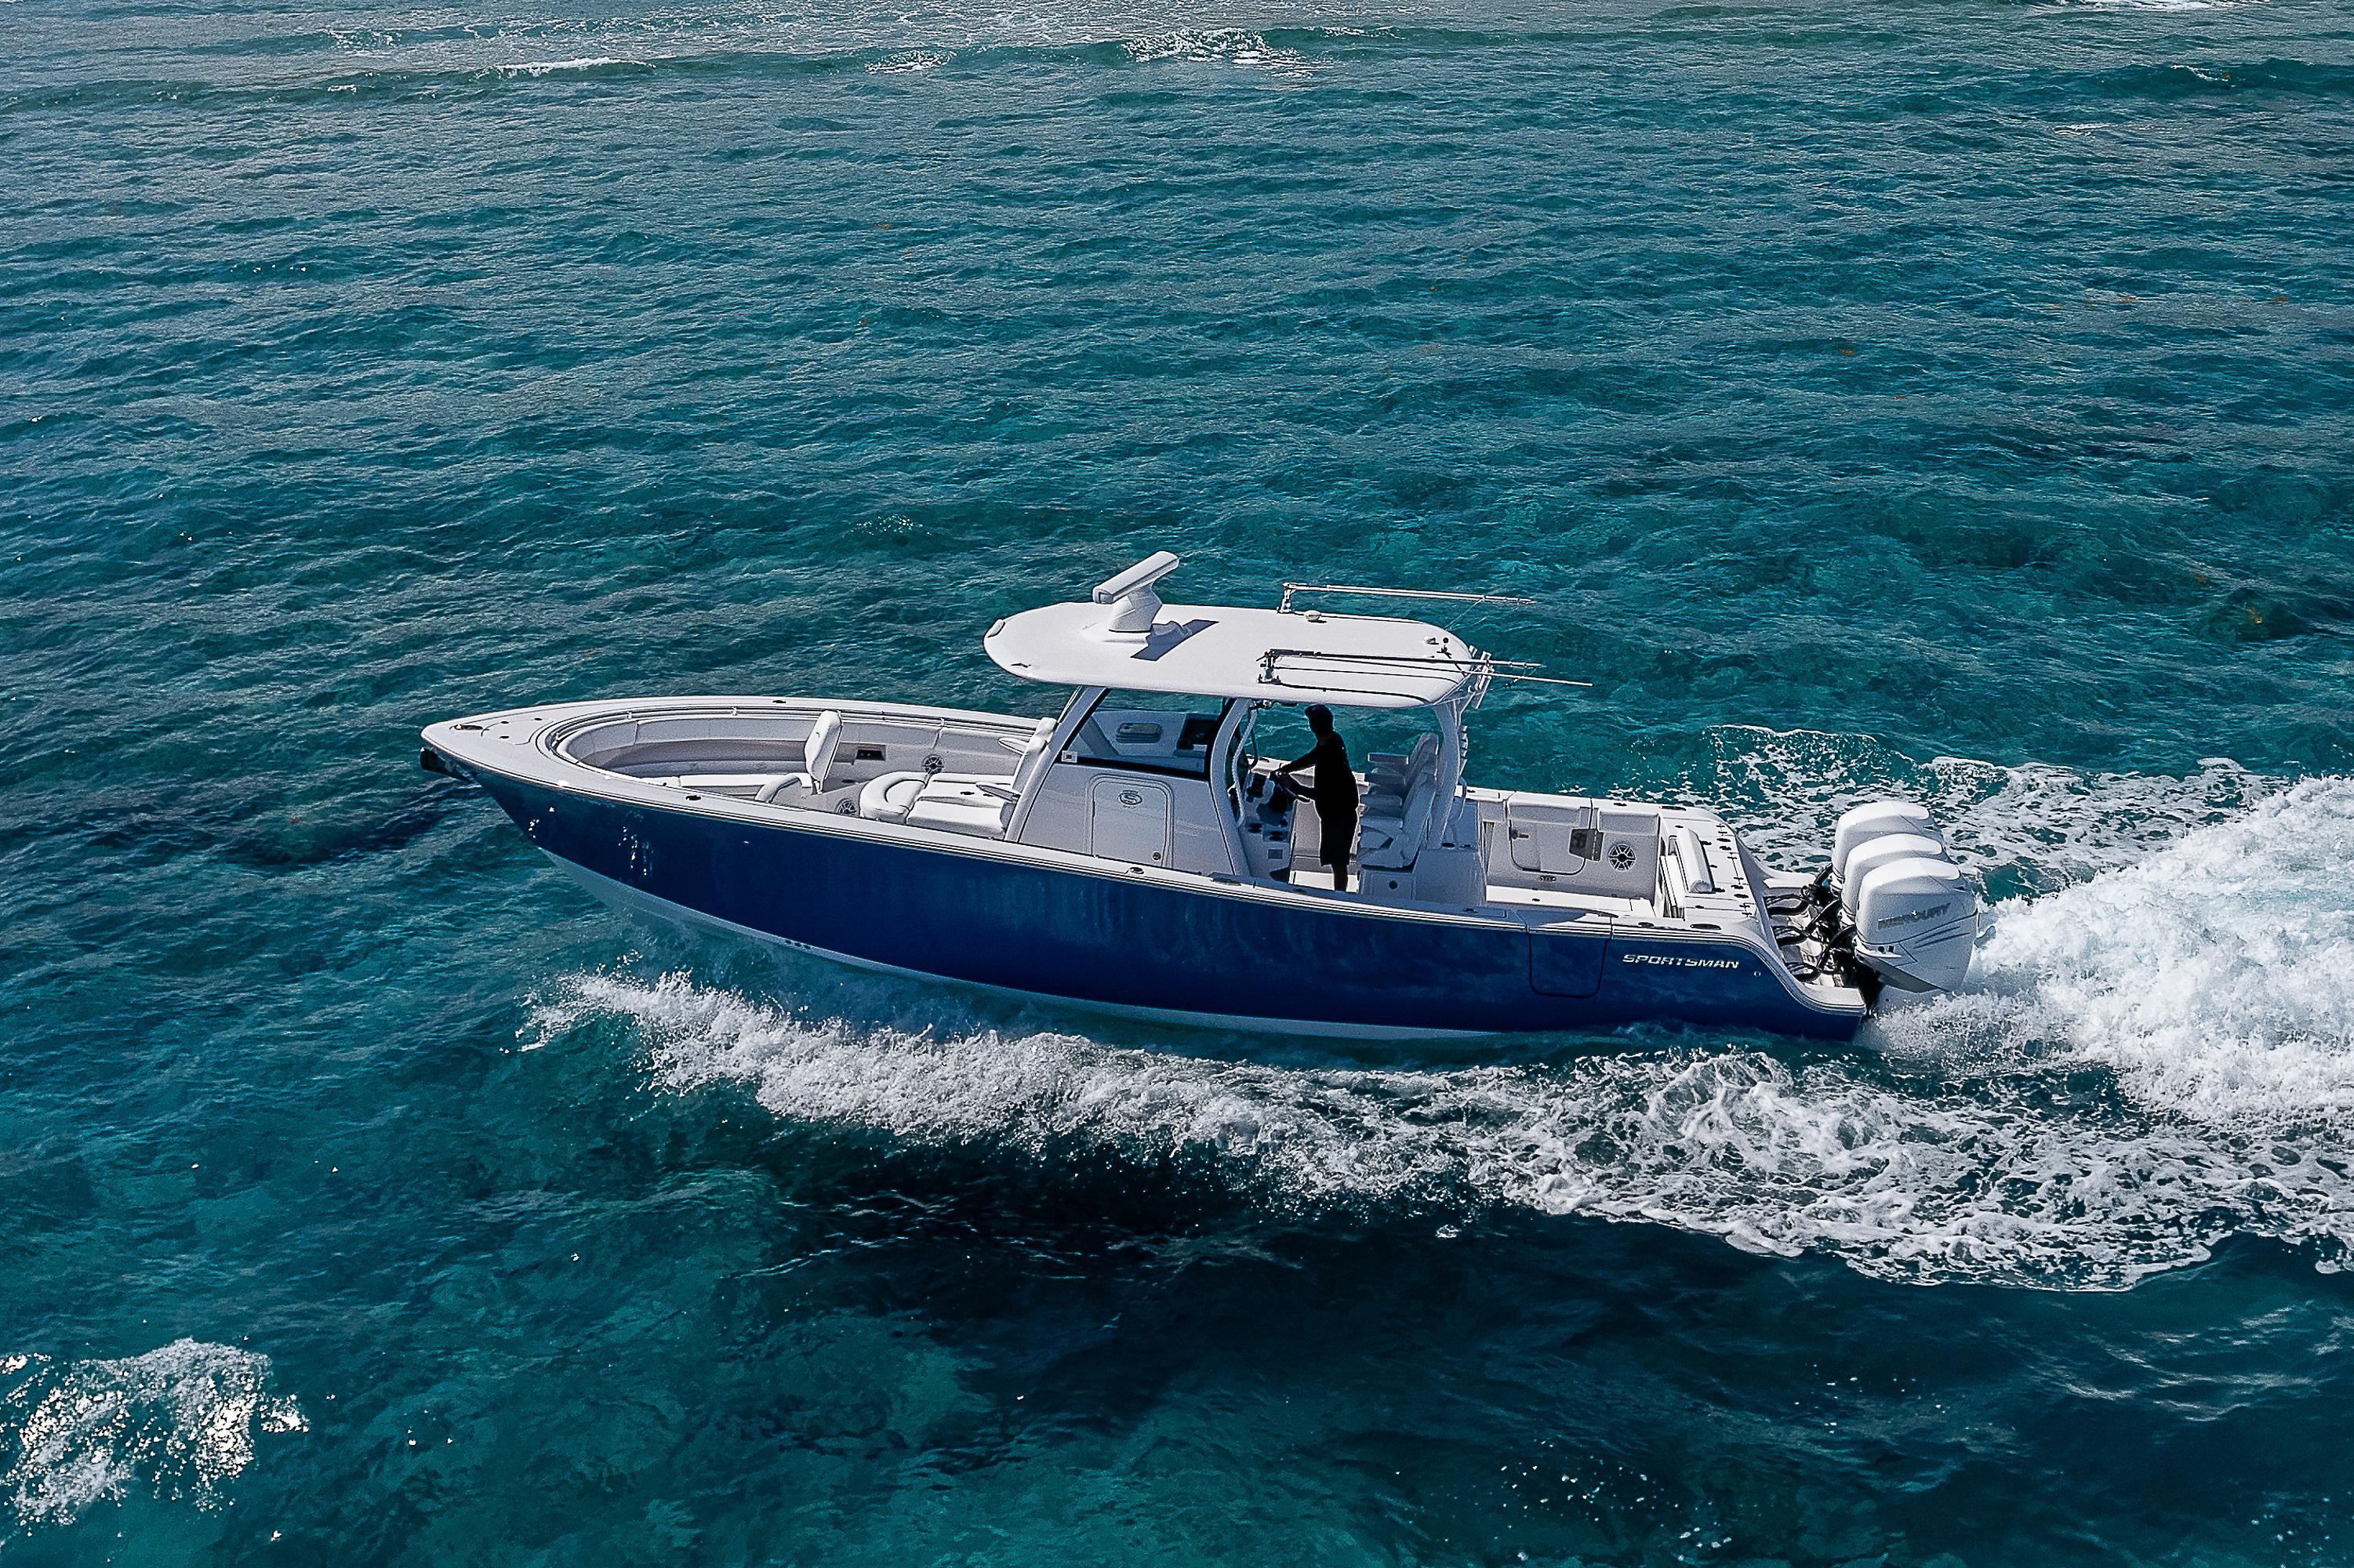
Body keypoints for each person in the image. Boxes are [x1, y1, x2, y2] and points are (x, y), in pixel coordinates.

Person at [1274, 704, 1358, 891]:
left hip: (1339, 816)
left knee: (1338, 862)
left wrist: (1294, 786)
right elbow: (1313, 757)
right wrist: (1287, 769)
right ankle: (1339, 894)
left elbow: (1324, 795)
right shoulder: (1332, 740)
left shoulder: (1331, 758)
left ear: (1312, 727)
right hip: (1337, 813)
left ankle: (1340, 898)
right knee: (1337, 860)